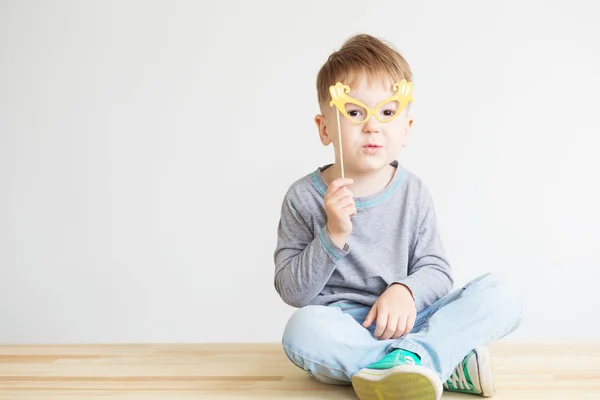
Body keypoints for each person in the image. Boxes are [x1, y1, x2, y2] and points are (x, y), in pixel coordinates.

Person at [273, 33, 524, 400]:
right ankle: (430, 363)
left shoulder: (414, 192)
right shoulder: (303, 197)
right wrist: (333, 235)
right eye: (354, 113)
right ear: (325, 128)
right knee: (302, 330)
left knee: (504, 293)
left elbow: (436, 271)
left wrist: (405, 290)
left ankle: (408, 358)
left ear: (406, 128)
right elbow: (292, 292)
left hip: (413, 321)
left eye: (387, 112)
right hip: (346, 330)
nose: (372, 126)